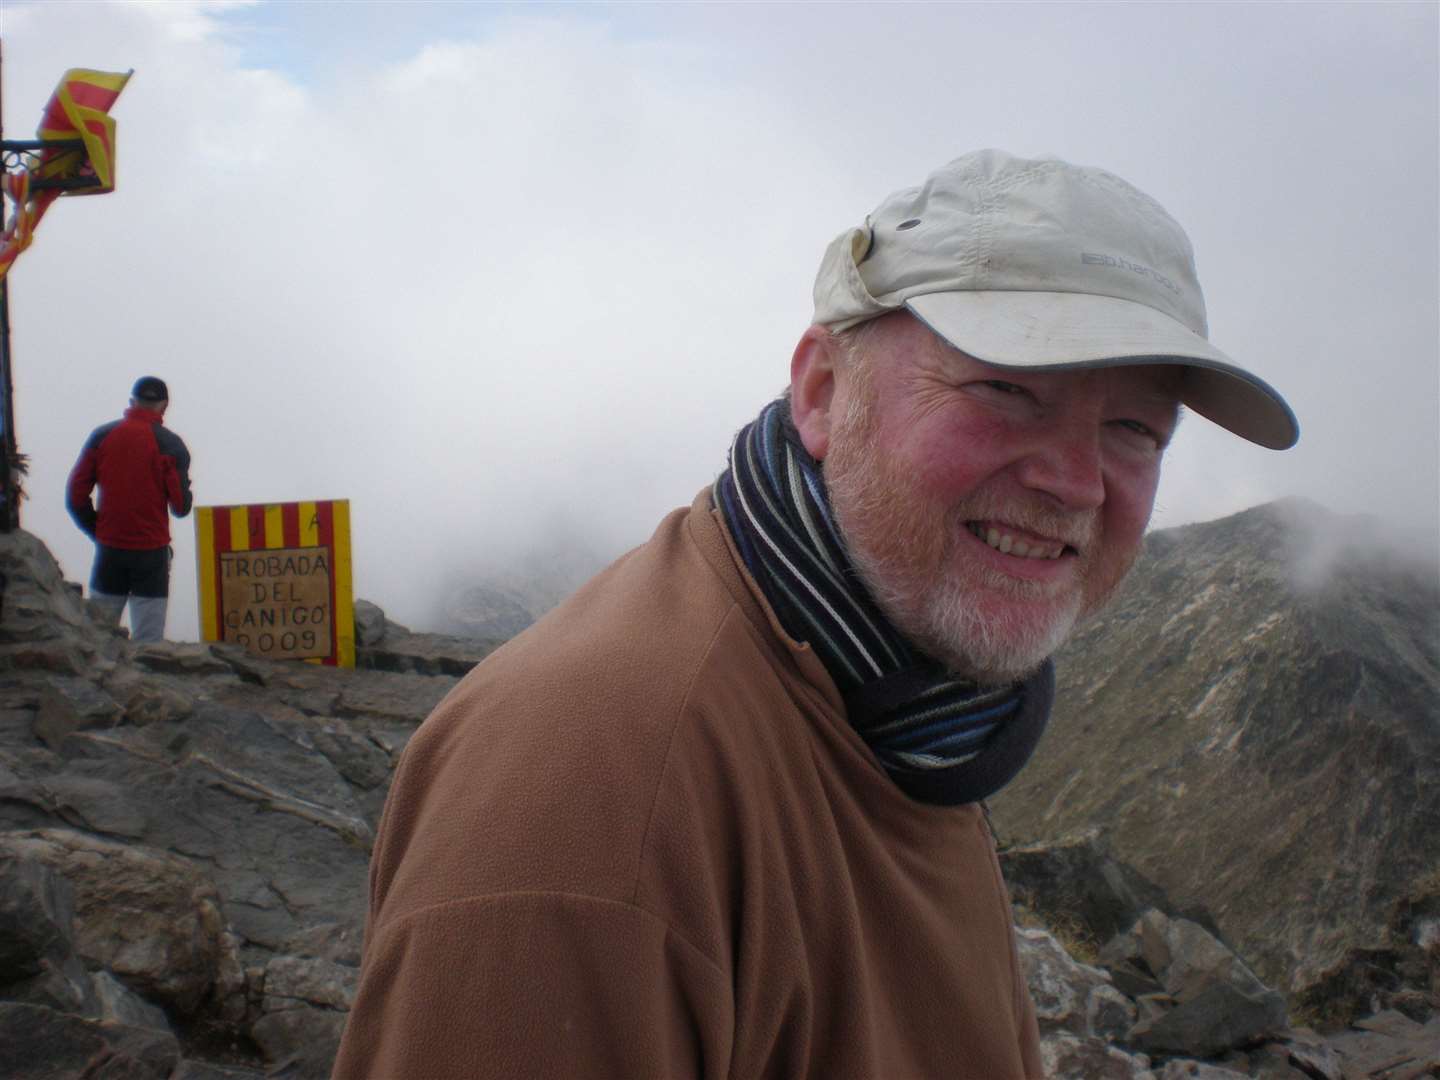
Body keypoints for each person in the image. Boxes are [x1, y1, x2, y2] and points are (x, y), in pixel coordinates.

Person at [333, 150, 1297, 1079]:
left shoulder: (908, 705)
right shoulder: (595, 789)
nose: (1077, 481)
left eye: (1134, 428)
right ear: (824, 392)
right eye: (1006, 390)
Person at [66, 376, 192, 643]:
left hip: (110, 550)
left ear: (132, 402)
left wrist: (99, 531)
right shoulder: (171, 445)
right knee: (148, 643)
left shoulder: (102, 436)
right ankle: (145, 682)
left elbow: (76, 496)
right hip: (151, 554)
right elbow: (180, 507)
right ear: (164, 406)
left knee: (99, 636)